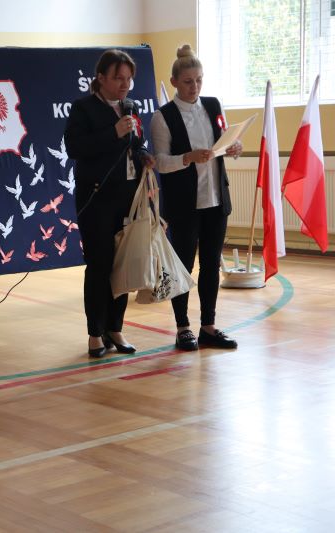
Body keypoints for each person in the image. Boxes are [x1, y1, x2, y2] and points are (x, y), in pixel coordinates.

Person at [64, 49, 155, 357]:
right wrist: (113, 132)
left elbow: (135, 145)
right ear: (101, 78)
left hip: (127, 198)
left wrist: (144, 156)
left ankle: (115, 328)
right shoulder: (83, 108)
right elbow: (75, 147)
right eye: (118, 78)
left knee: (123, 265)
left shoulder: (130, 107)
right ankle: (95, 333)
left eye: (129, 79)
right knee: (99, 265)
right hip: (96, 198)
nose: (125, 84)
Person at [150, 45, 240, 351]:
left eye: (199, 80)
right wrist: (187, 157)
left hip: (216, 199)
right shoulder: (163, 116)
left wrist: (234, 148)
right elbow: (161, 162)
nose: (195, 86)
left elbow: (224, 140)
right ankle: (182, 327)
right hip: (184, 204)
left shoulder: (213, 105)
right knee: (183, 266)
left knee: (211, 264)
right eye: (188, 81)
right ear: (174, 81)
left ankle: (208, 326)